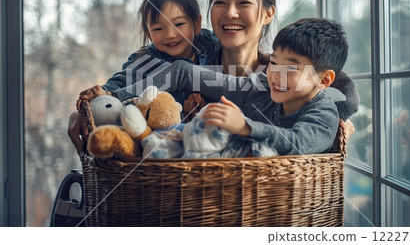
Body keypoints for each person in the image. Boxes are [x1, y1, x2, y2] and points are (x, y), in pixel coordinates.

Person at [116, 18, 351, 156]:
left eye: (290, 69)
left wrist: (244, 126)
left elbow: (298, 142)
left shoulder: (323, 112)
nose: (276, 75)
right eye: (274, 63)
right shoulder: (259, 86)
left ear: (324, 80)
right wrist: (115, 97)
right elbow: (184, 72)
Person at [77, 0, 220, 107]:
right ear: (148, 33)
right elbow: (122, 82)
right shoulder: (145, 59)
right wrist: (103, 92)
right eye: (158, 29)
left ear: (196, 24)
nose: (170, 34)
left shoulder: (213, 46)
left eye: (179, 24)